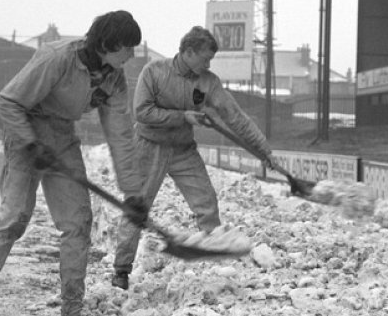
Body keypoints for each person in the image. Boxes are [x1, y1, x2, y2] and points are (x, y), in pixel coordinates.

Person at [0, 10, 147, 316]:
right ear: (109, 43)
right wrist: (31, 144)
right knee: (14, 216)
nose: (131, 55)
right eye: (127, 48)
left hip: (61, 135)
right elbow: (7, 102)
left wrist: (133, 193)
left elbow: (121, 137)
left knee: (78, 221)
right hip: (25, 129)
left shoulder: (115, 79)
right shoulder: (56, 57)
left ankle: (72, 313)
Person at [111, 26, 272, 290]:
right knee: (136, 208)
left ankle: (217, 260)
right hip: (148, 147)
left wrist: (263, 149)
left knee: (207, 202)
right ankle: (121, 270)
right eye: (205, 58)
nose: (208, 64)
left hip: (183, 149)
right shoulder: (154, 71)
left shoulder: (208, 82)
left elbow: (235, 116)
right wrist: (183, 116)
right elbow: (142, 112)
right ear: (188, 52)